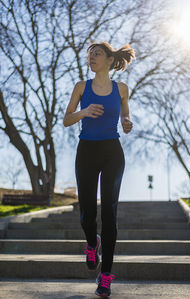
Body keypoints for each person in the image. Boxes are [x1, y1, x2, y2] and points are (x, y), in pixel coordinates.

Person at [63, 41, 135, 298]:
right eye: (90, 54)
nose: (91, 57)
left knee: (109, 213)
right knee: (86, 212)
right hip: (87, 151)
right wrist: (84, 112)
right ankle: (92, 243)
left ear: (108, 60)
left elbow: (125, 116)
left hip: (112, 152)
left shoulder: (122, 89)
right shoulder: (81, 87)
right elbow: (66, 119)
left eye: (97, 53)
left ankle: (105, 276)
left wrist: (127, 123)